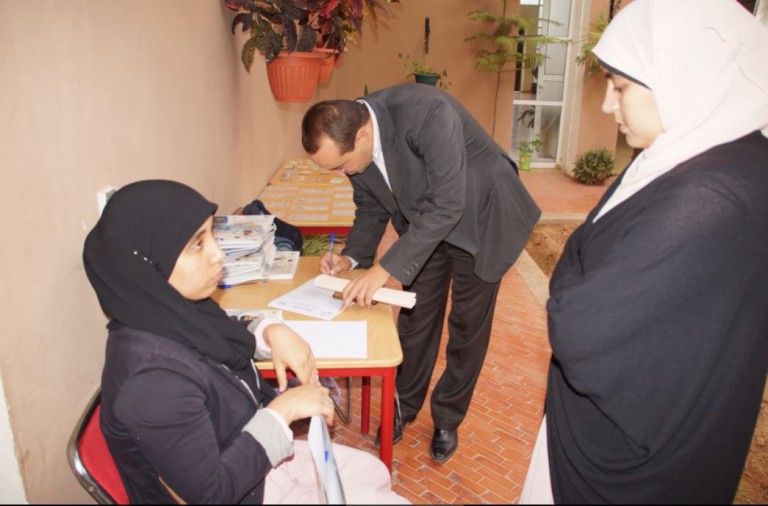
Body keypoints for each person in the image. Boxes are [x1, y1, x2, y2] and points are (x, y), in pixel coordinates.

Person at [520, 0, 768, 503]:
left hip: (631, 458)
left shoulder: (708, 194)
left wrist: (575, 279)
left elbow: (577, 326)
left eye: (620, 87)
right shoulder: (690, 155)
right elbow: (579, 260)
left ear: (681, 75)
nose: (608, 106)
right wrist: (578, 275)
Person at [82, 179, 409, 504]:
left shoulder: (170, 312)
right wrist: (283, 411)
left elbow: (224, 329)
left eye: (211, 234)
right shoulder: (153, 381)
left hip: (247, 453)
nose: (218, 253)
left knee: (371, 472)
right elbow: (213, 495)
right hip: (243, 488)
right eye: (197, 244)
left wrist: (270, 330)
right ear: (151, 263)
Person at [301, 84, 541, 463]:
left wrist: (384, 269)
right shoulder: (353, 141)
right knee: (416, 317)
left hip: (480, 214)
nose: (341, 173)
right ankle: (404, 406)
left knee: (467, 326)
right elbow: (371, 205)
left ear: (362, 136)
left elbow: (447, 203)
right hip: (428, 220)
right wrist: (350, 257)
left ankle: (447, 418)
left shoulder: (427, 113)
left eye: (340, 165)